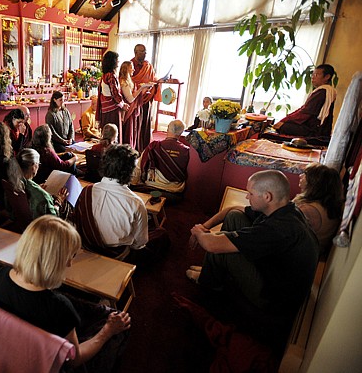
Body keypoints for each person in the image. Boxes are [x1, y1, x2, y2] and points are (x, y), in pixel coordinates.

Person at [188, 170, 319, 354]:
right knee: (234, 216)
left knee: (222, 246)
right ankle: (210, 273)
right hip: (274, 270)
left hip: (273, 300)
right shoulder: (287, 209)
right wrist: (205, 226)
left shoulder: (278, 228)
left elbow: (212, 245)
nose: (247, 196)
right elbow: (230, 211)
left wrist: (198, 232)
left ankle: (208, 287)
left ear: (267, 196)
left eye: (250, 193)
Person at [0, 215, 131, 371]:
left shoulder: (0, 275)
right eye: (69, 256)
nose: (70, 263)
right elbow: (74, 360)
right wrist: (108, 331)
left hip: (16, 346)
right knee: (119, 324)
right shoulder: (59, 307)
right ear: (53, 260)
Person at [75, 144, 167, 262]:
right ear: (130, 172)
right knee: (161, 233)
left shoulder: (86, 191)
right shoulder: (136, 203)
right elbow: (139, 244)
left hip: (88, 246)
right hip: (117, 254)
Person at [7, 148, 71, 220]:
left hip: (19, 221)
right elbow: (52, 218)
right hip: (39, 226)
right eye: (38, 164)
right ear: (33, 165)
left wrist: (37, 189)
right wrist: (59, 201)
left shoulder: (11, 181)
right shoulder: (42, 195)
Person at [294, 163, 344, 255]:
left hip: (304, 254)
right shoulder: (325, 204)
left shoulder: (309, 210)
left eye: (305, 174)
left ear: (314, 182)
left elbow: (286, 232)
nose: (300, 175)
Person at [274, 64, 337, 136]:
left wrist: (285, 120)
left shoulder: (322, 92)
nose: (313, 77)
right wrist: (287, 118)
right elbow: (304, 109)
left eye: (316, 75)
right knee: (285, 123)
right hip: (320, 129)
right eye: (313, 74)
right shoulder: (327, 91)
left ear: (327, 77)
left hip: (313, 130)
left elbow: (305, 113)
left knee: (284, 126)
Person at [138, 120, 190, 203]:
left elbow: (140, 165)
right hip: (173, 192)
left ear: (167, 129)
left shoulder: (153, 146)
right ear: (181, 133)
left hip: (151, 187)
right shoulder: (186, 151)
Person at [131, 44, 163, 152]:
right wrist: (141, 86)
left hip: (147, 99)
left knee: (145, 122)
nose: (145, 54)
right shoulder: (130, 65)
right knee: (136, 124)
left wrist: (157, 82)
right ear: (135, 52)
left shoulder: (148, 65)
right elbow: (129, 81)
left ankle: (145, 146)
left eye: (145, 52)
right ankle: (135, 146)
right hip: (135, 99)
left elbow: (153, 77)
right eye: (142, 51)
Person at [98, 51, 127, 145]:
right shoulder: (111, 75)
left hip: (106, 109)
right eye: (117, 60)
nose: (118, 63)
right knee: (113, 135)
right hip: (112, 109)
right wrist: (122, 105)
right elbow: (115, 93)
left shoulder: (104, 75)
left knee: (106, 136)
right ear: (113, 61)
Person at [119, 60, 150, 149]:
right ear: (126, 69)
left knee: (133, 131)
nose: (133, 70)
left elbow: (134, 94)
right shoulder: (123, 82)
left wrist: (144, 90)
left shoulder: (129, 80)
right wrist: (141, 89)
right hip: (128, 110)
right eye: (131, 68)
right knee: (129, 133)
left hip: (132, 110)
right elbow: (130, 98)